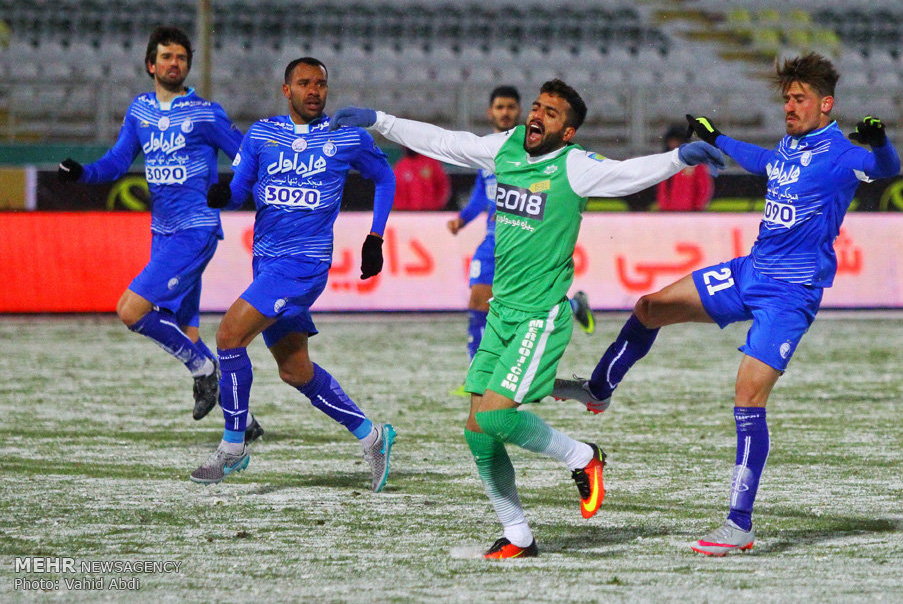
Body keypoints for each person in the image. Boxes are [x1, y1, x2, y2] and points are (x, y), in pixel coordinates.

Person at [332, 79, 725, 557]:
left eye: (551, 113)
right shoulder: (506, 147)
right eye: (537, 107)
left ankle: (583, 456)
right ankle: (518, 533)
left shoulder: (575, 167)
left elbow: (628, 174)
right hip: (501, 313)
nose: (537, 116)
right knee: (477, 431)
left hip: (540, 316)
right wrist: (380, 121)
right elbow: (445, 142)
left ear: (569, 132)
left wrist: (679, 158)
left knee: (497, 415)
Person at [553, 53, 901, 556]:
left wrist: (880, 142)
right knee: (650, 306)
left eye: (799, 98)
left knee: (747, 400)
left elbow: (887, 168)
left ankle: (739, 525)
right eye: (786, 98)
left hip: (791, 294)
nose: (789, 106)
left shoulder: (844, 153)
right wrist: (716, 139)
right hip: (749, 273)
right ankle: (599, 388)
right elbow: (762, 161)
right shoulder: (789, 145)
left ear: (827, 105)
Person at [189, 57, 397, 492]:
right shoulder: (262, 134)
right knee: (295, 370)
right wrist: (223, 195)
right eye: (305, 83)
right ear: (287, 90)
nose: (315, 91)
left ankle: (233, 447)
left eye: (321, 83)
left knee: (228, 336)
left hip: (303, 265)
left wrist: (375, 236)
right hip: (266, 260)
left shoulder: (346, 135)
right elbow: (240, 189)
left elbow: (385, 177)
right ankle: (373, 436)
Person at [57, 26, 246, 425]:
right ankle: (243, 422)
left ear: (187, 65)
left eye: (180, 57)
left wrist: (232, 192)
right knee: (184, 329)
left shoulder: (206, 113)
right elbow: (116, 161)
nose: (173, 63)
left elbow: (247, 156)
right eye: (166, 56)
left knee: (131, 310)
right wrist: (82, 173)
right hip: (162, 232)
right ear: (150, 64)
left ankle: (205, 370)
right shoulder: (139, 110)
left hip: (196, 229)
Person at [446, 85, 595, 364]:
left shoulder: (531, 152)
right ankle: (477, 371)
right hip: (493, 241)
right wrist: (463, 219)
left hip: (525, 240)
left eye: (511, 107)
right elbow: (482, 194)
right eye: (500, 107)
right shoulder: (488, 151)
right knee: (478, 301)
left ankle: (572, 305)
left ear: (521, 112)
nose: (505, 112)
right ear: (490, 112)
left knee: (526, 310)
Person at [656, 124, 714, 211]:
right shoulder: (666, 163)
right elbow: (663, 189)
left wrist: (698, 207)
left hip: (690, 211)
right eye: (671, 142)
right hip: (669, 212)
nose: (673, 145)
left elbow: (703, 187)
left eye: (676, 142)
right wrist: (664, 207)